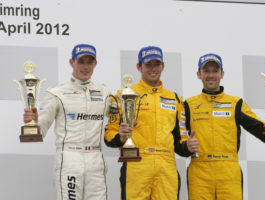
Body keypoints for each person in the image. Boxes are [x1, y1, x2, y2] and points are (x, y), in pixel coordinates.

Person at [104, 46, 199, 200]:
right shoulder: (122, 96)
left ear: (163, 66)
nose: (153, 69)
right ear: (139, 66)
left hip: (166, 167)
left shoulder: (176, 99)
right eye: (148, 64)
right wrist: (120, 138)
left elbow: (179, 141)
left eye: (157, 64)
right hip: (136, 164)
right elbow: (109, 136)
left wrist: (187, 147)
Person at [184, 53, 265, 200]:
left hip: (229, 172)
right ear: (199, 74)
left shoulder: (236, 104)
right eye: (206, 71)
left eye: (215, 71)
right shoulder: (188, 105)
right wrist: (186, 146)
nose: (211, 75)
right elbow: (177, 141)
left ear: (222, 74)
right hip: (199, 173)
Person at [23, 44, 110, 200]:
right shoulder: (57, 92)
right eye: (81, 61)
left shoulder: (105, 93)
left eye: (89, 62)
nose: (85, 66)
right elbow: (39, 132)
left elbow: (120, 121)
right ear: (72, 62)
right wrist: (32, 123)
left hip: (95, 159)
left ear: (95, 64)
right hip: (70, 158)